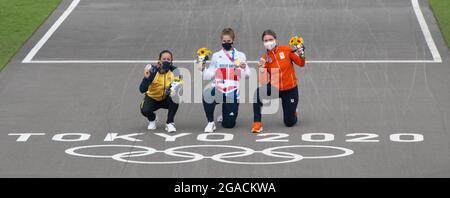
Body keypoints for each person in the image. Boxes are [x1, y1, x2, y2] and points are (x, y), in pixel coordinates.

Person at [251, 29, 306, 133]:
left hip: (290, 89)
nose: (268, 42)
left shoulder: (286, 50)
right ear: (263, 43)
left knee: (289, 123)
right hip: (274, 87)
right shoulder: (264, 58)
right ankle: (257, 123)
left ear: (275, 40)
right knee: (258, 93)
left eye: (270, 39)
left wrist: (302, 54)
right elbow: (263, 81)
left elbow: (301, 63)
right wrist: (262, 68)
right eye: (266, 40)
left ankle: (293, 112)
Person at [198, 28, 250, 133]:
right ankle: (210, 123)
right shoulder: (216, 56)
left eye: (228, 41)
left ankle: (225, 113)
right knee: (207, 95)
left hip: (233, 92)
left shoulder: (241, 55)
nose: (226, 43)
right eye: (224, 41)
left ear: (233, 40)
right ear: (221, 41)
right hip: (218, 89)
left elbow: (247, 75)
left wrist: (244, 68)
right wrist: (202, 68)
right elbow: (209, 75)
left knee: (229, 125)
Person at [139, 50, 182, 133]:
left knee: (175, 98)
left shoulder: (175, 71)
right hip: (152, 98)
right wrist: (146, 78)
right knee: (145, 110)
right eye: (164, 59)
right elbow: (142, 89)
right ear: (159, 60)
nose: (166, 61)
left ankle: (170, 123)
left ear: (171, 60)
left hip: (166, 98)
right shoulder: (153, 72)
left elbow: (178, 83)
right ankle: (153, 119)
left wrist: (172, 89)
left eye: (168, 59)